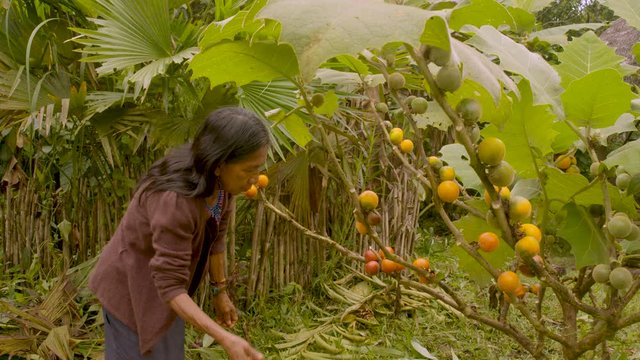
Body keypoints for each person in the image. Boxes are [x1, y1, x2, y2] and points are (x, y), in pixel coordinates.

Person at [88, 107, 268, 360]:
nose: (255, 179)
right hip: (130, 288)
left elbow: (217, 238)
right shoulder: (175, 201)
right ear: (219, 164)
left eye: (258, 168)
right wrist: (225, 337)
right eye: (249, 169)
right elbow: (170, 284)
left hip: (168, 295)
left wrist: (220, 290)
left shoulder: (222, 186)